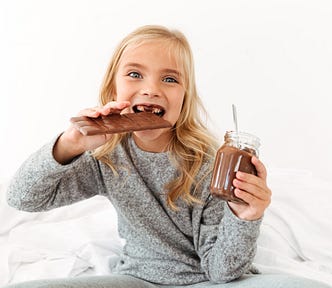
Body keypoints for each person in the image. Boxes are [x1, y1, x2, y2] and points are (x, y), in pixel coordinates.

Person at [5, 25, 330, 288]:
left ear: (184, 99)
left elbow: (221, 271)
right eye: (135, 74)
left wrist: (245, 217)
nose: (151, 88)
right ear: (112, 87)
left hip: (206, 281)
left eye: (170, 79)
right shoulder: (105, 157)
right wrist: (71, 143)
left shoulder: (208, 164)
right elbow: (23, 198)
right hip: (136, 279)